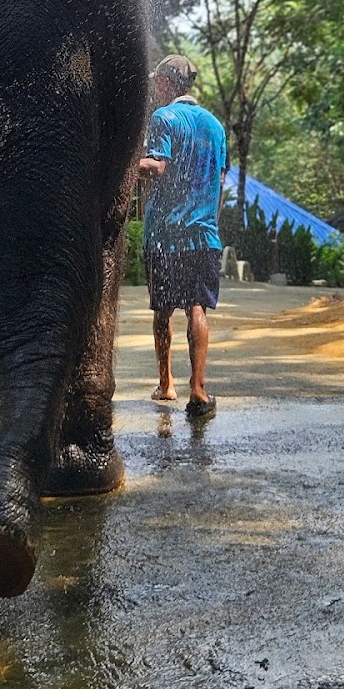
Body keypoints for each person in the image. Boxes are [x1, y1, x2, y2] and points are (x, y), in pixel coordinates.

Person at [138, 54, 228, 421]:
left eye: (156, 81)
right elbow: (220, 180)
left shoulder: (164, 118)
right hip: (204, 235)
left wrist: (126, 163)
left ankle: (166, 384)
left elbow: (157, 165)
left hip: (165, 236)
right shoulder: (216, 125)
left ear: (164, 83)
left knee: (163, 311)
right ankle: (198, 389)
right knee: (197, 308)